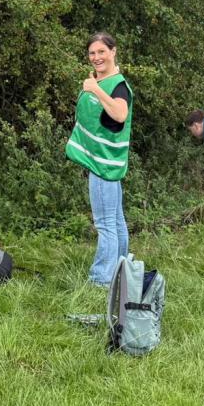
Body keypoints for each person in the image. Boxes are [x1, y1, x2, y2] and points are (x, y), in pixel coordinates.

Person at [64, 33, 132, 286]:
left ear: (113, 52)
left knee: (105, 224)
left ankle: (101, 279)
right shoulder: (104, 81)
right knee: (116, 221)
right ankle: (121, 270)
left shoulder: (117, 86)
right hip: (106, 162)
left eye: (101, 51)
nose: (96, 57)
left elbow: (120, 114)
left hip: (104, 164)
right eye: (92, 53)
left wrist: (94, 89)